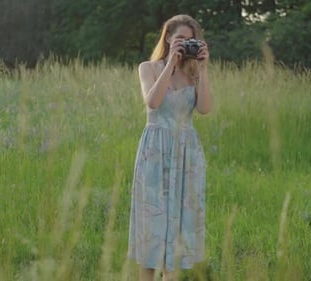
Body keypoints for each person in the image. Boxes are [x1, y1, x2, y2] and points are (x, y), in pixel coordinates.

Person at [127, 14, 212, 281]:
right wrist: (170, 65)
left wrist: (204, 69)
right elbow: (152, 101)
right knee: (151, 232)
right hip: (155, 154)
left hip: (187, 157)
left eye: (190, 40)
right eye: (180, 39)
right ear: (167, 39)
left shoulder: (194, 74)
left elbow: (205, 109)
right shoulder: (148, 68)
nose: (185, 44)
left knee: (178, 230)